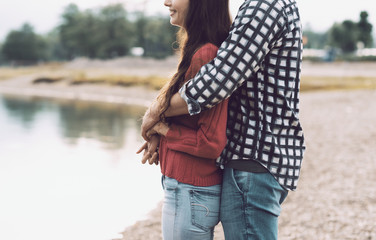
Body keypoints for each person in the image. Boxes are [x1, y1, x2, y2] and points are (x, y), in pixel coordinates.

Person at [141, 0, 306, 239]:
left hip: (253, 160)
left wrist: (155, 113)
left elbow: (217, 81)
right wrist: (161, 130)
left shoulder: (264, 6)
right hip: (256, 160)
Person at [137, 0, 232, 239]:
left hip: (191, 191)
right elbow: (189, 119)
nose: (166, 1)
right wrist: (160, 135)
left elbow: (209, 142)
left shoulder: (206, 55)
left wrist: (161, 127)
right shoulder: (197, 51)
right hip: (188, 190)